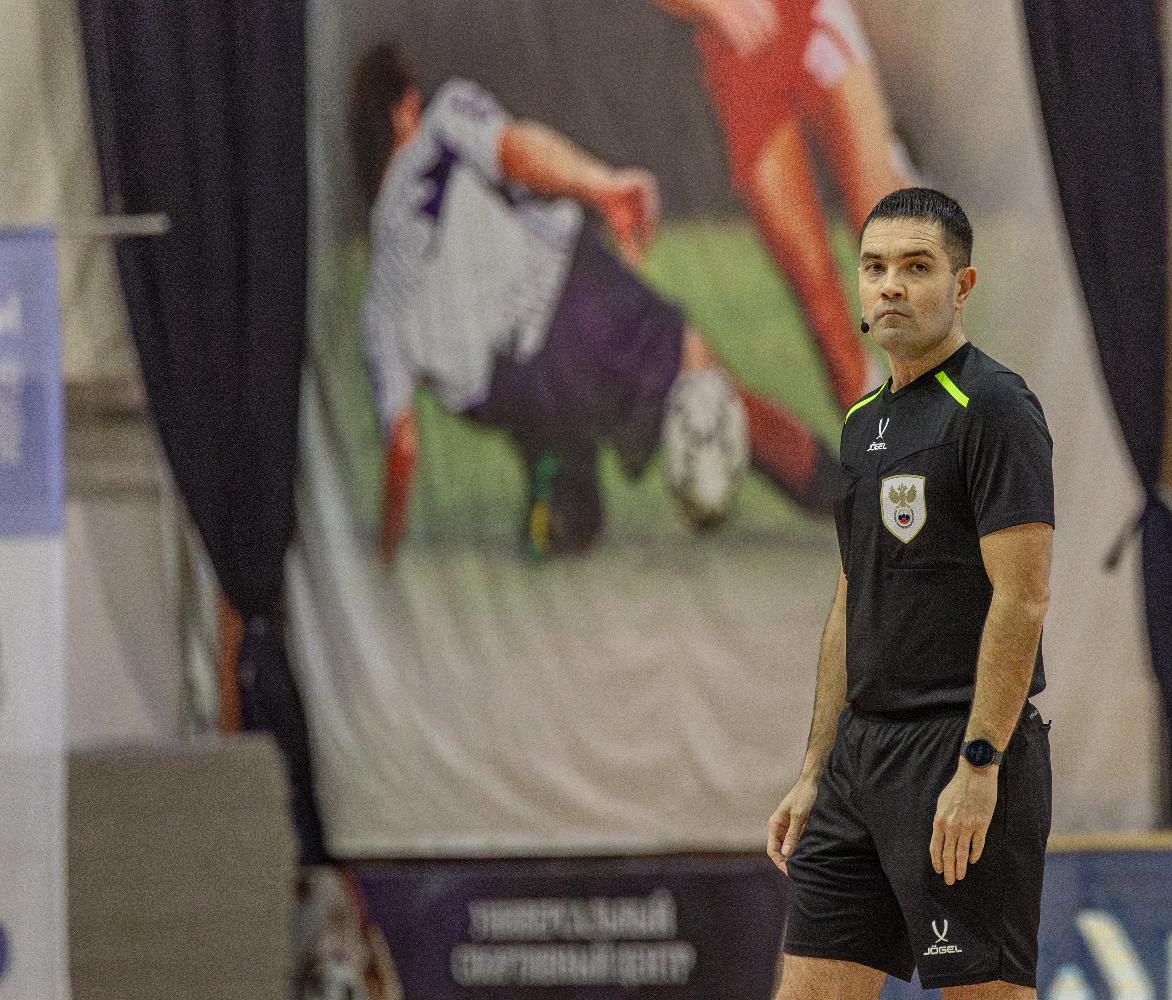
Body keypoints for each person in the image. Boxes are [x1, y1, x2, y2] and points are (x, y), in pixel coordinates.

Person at [348, 43, 842, 562]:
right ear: (403, 110)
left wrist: (384, 554)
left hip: (512, 396)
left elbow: (402, 444)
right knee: (711, 390)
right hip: (575, 309)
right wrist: (601, 186)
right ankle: (851, 498)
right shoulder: (440, 127)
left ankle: (561, 479)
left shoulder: (377, 307)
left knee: (560, 455)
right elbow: (516, 151)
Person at [765, 188, 1054, 997]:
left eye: (916, 267)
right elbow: (850, 601)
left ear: (962, 287)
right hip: (859, 764)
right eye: (874, 267)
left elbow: (1023, 598)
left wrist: (980, 763)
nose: (890, 284)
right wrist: (816, 769)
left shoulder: (994, 407)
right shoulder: (860, 423)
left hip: (954, 753)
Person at [655, 0, 916, 411]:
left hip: (808, 16)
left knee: (895, 252)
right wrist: (714, 6)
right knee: (822, 307)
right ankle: (884, 443)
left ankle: (958, 424)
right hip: (735, 56)